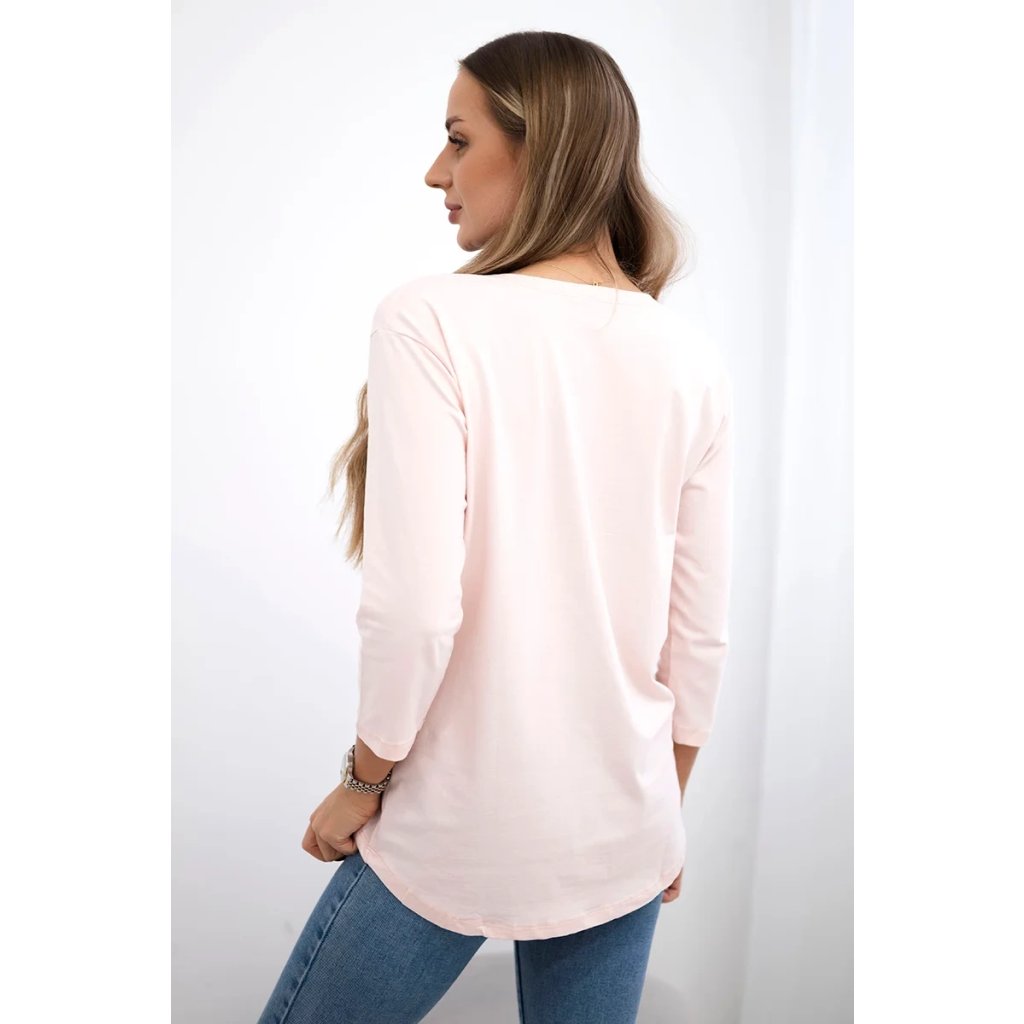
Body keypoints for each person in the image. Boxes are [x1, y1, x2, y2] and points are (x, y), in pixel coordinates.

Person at [257, 29, 734, 1024]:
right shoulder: (686, 357)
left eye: (458, 138)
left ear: (539, 146)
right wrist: (663, 810)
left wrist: (361, 782)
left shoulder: (429, 320)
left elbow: (416, 610)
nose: (437, 171)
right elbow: (697, 638)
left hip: (453, 824)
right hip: (623, 828)